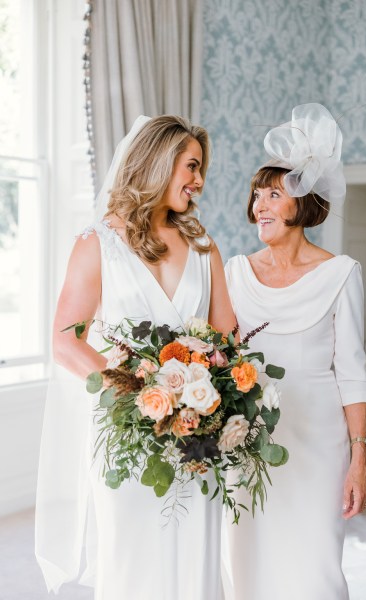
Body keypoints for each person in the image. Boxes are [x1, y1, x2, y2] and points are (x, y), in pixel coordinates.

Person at [35, 115, 235, 600]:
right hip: (126, 432)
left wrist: (204, 391)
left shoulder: (204, 247)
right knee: (133, 559)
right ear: (159, 163)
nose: (199, 180)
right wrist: (138, 391)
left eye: (201, 168)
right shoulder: (98, 243)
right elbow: (66, 340)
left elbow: (227, 337)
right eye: (191, 166)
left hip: (196, 435)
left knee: (194, 561)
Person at [224, 103, 366, 600]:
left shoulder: (341, 273)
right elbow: (220, 358)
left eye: (273, 194)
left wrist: (359, 457)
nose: (259, 205)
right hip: (248, 439)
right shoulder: (235, 273)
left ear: (303, 203)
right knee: (247, 561)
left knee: (314, 568)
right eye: (256, 195)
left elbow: (352, 374)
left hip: (319, 443)